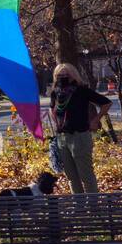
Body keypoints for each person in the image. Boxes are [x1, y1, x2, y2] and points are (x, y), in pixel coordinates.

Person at [49, 63, 111, 193]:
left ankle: (93, 208)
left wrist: (95, 120)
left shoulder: (82, 90)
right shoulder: (55, 92)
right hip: (62, 138)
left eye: (66, 74)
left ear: (73, 75)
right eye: (59, 75)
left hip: (80, 136)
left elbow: (106, 103)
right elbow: (52, 109)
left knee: (86, 175)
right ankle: (79, 207)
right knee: (71, 177)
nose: (63, 77)